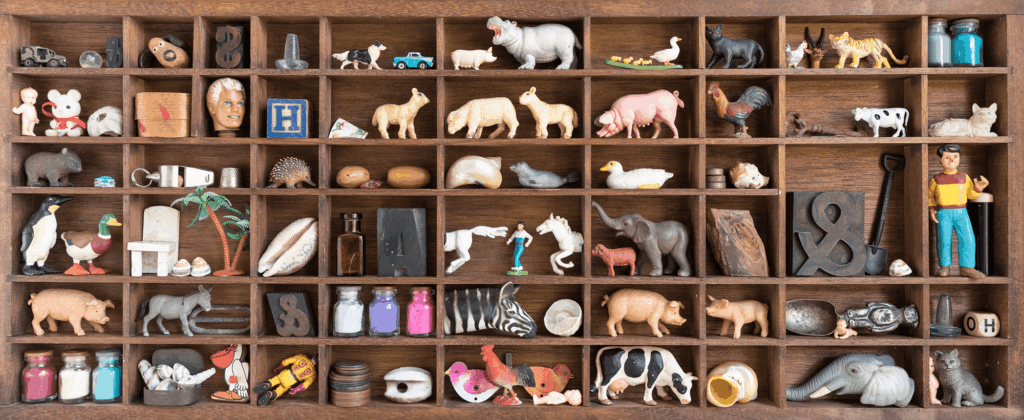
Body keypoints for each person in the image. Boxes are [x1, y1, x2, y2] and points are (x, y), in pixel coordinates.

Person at [929, 143, 987, 278]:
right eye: (947, 157)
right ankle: (944, 266)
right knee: (944, 239)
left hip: (962, 212)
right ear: (940, 159)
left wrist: (978, 188)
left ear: (960, 158)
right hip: (943, 212)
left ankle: (967, 267)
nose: (952, 160)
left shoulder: (964, 177)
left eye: (955, 157)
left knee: (968, 238)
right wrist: (932, 209)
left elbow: (971, 195)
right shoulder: (936, 179)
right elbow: (930, 196)